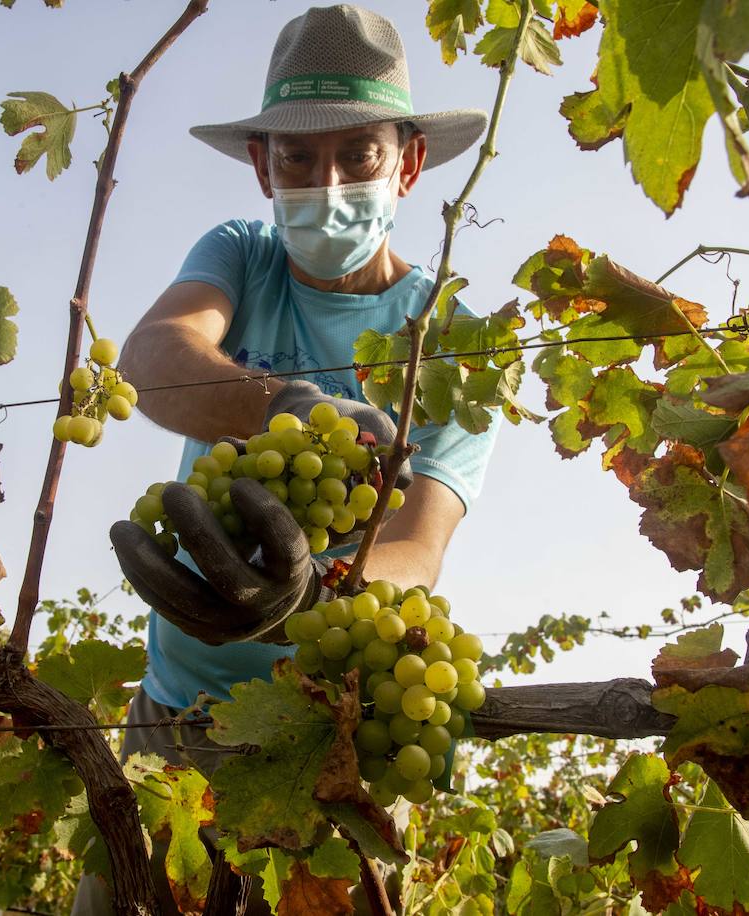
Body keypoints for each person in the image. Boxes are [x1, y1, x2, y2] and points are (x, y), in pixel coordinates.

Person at [71, 6, 498, 913]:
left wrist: (303, 598)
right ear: (262, 165)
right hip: (171, 718)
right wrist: (286, 404)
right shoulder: (242, 255)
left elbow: (420, 549)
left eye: (359, 156)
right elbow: (152, 358)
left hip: (325, 737)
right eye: (297, 159)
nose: (326, 180)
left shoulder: (451, 345)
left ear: (409, 164)